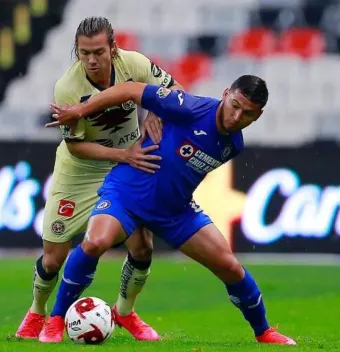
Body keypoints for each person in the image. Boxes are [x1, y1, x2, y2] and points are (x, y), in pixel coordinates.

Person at [47, 75, 297, 345]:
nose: (237, 116)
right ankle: (56, 320)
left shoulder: (233, 145)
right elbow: (131, 89)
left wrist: (158, 113)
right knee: (96, 242)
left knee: (230, 266)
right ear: (226, 94)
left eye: (247, 113)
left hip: (174, 210)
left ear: (257, 116)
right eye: (235, 105)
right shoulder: (190, 107)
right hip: (127, 193)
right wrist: (80, 110)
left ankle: (264, 332)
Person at [15, 16, 183, 343]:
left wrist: (155, 113)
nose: (91, 60)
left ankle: (125, 311)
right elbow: (76, 147)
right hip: (79, 172)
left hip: (128, 167)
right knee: (53, 256)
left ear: (113, 49)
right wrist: (124, 154)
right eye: (84, 53)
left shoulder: (134, 64)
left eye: (98, 52)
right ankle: (37, 310)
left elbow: (175, 91)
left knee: (143, 246)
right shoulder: (68, 88)